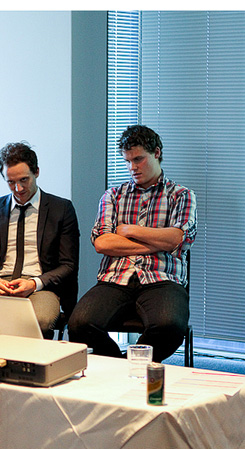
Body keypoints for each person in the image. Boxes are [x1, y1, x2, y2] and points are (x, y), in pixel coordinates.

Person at [68, 125, 197, 362]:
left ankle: (131, 366)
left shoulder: (181, 195)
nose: (132, 167)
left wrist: (129, 230)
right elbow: (102, 243)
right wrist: (157, 242)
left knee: (169, 326)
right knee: (79, 325)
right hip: (115, 278)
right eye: (127, 161)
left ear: (156, 153)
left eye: (138, 159)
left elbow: (178, 238)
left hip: (162, 279)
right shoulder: (113, 195)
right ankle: (125, 367)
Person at [0, 142, 80, 338]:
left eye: (24, 180)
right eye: (11, 182)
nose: (18, 188)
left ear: (36, 172)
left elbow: (68, 265)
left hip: (41, 287)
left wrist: (35, 283)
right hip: (0, 285)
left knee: (37, 321)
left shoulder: (61, 209)